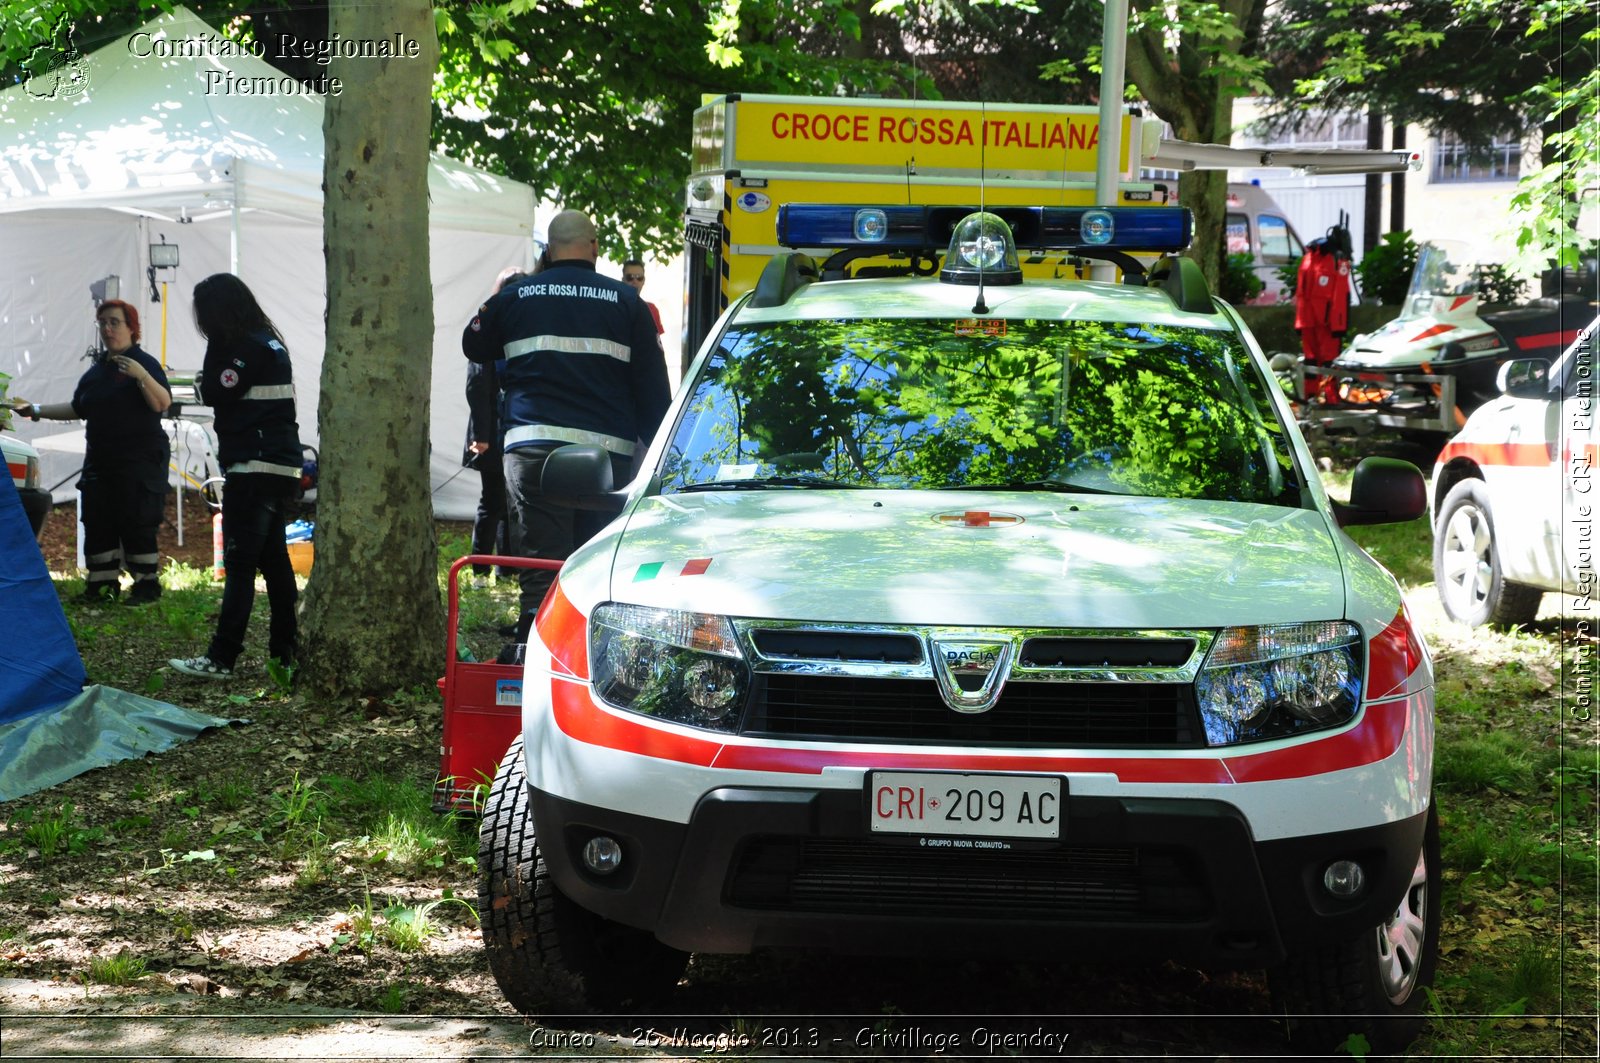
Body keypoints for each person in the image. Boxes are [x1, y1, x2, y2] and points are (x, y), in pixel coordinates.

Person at [463, 211, 671, 640]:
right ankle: (586, 650)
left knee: (541, 558)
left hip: (531, 445)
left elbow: (473, 341)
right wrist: (665, 454)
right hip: (603, 455)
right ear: (594, 247)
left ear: (549, 249)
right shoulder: (626, 302)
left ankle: (529, 642)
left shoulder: (518, 295)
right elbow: (653, 390)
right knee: (593, 558)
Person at [168, 274, 301, 679]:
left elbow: (214, 391)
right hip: (282, 466)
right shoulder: (268, 342)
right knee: (275, 562)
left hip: (253, 466)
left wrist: (215, 348)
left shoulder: (241, 348)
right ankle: (284, 655)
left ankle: (222, 657)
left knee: (240, 563)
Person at [11, 299, 173, 604]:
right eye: (103, 323)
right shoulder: (98, 372)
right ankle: (101, 586)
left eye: (115, 322)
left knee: (137, 522)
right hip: (101, 462)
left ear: (132, 328)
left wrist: (141, 376)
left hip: (139, 462)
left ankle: (146, 587)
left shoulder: (143, 363)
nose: (108, 329)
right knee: (98, 521)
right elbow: (77, 407)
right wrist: (33, 410)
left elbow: (162, 403)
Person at [622, 258, 664, 337]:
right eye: (630, 277)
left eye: (639, 277)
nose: (635, 281)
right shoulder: (614, 307)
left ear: (644, 281)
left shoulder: (652, 309)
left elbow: (657, 342)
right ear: (623, 280)